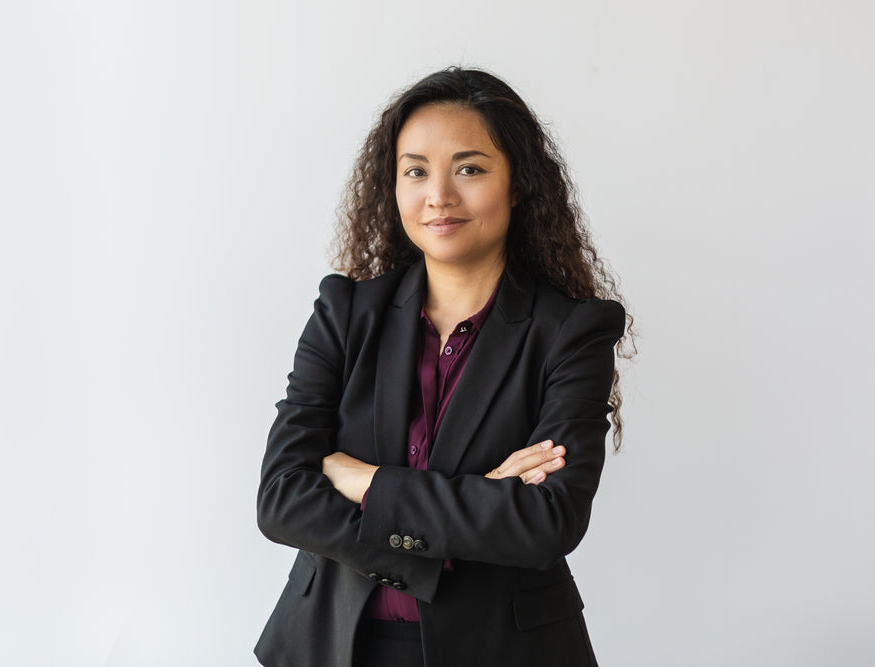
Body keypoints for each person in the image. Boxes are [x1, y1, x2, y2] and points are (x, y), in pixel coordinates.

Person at [255, 66, 633, 667]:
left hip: (505, 650)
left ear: (517, 184)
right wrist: (475, 504)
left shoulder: (571, 331)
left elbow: (548, 520)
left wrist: (366, 482)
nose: (439, 195)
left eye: (470, 168)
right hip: (334, 645)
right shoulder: (345, 312)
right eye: (416, 171)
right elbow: (281, 498)